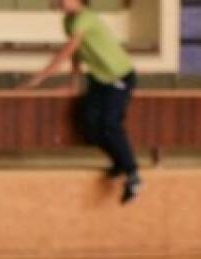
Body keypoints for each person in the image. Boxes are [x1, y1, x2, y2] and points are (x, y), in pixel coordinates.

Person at [19, 0, 140, 203]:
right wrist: (73, 83)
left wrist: (41, 77)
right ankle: (120, 163)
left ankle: (132, 173)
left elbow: (68, 49)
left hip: (118, 76)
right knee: (89, 125)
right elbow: (77, 53)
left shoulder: (86, 18)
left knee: (110, 124)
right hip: (99, 80)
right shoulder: (68, 21)